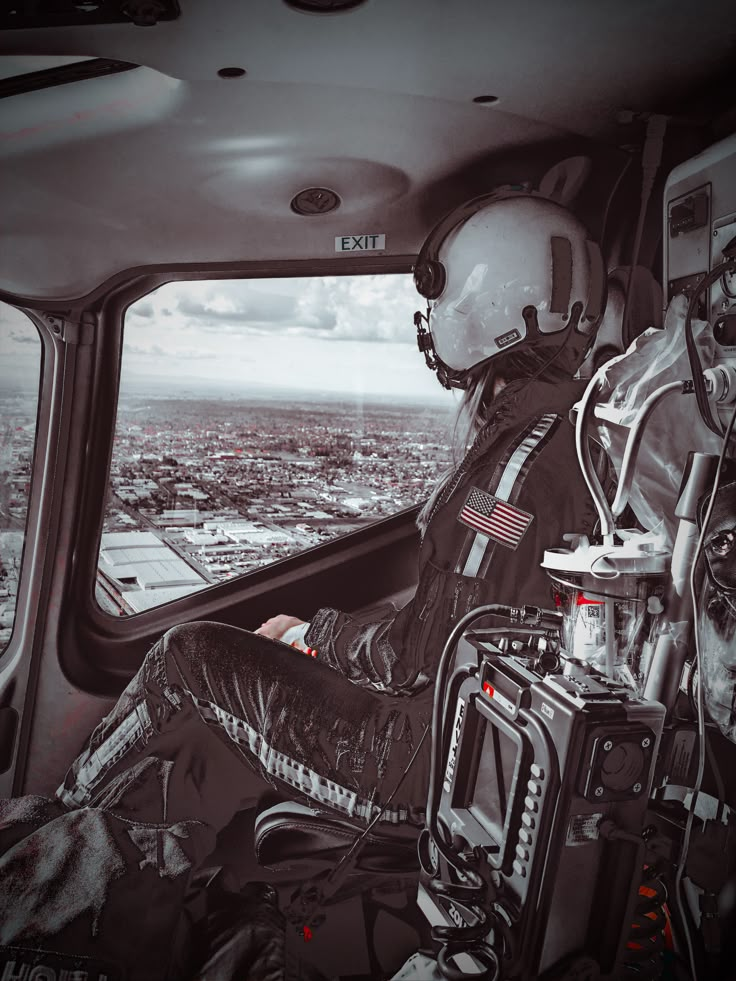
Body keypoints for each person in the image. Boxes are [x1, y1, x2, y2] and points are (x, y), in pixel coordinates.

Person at [0, 190, 605, 978]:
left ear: (495, 307)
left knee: (189, 656)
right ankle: (76, 872)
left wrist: (317, 633)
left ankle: (42, 848)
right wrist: (327, 642)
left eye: (444, 295)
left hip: (423, 762)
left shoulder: (519, 466)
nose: (433, 320)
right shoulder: (547, 439)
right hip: (448, 751)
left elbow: (433, 651)